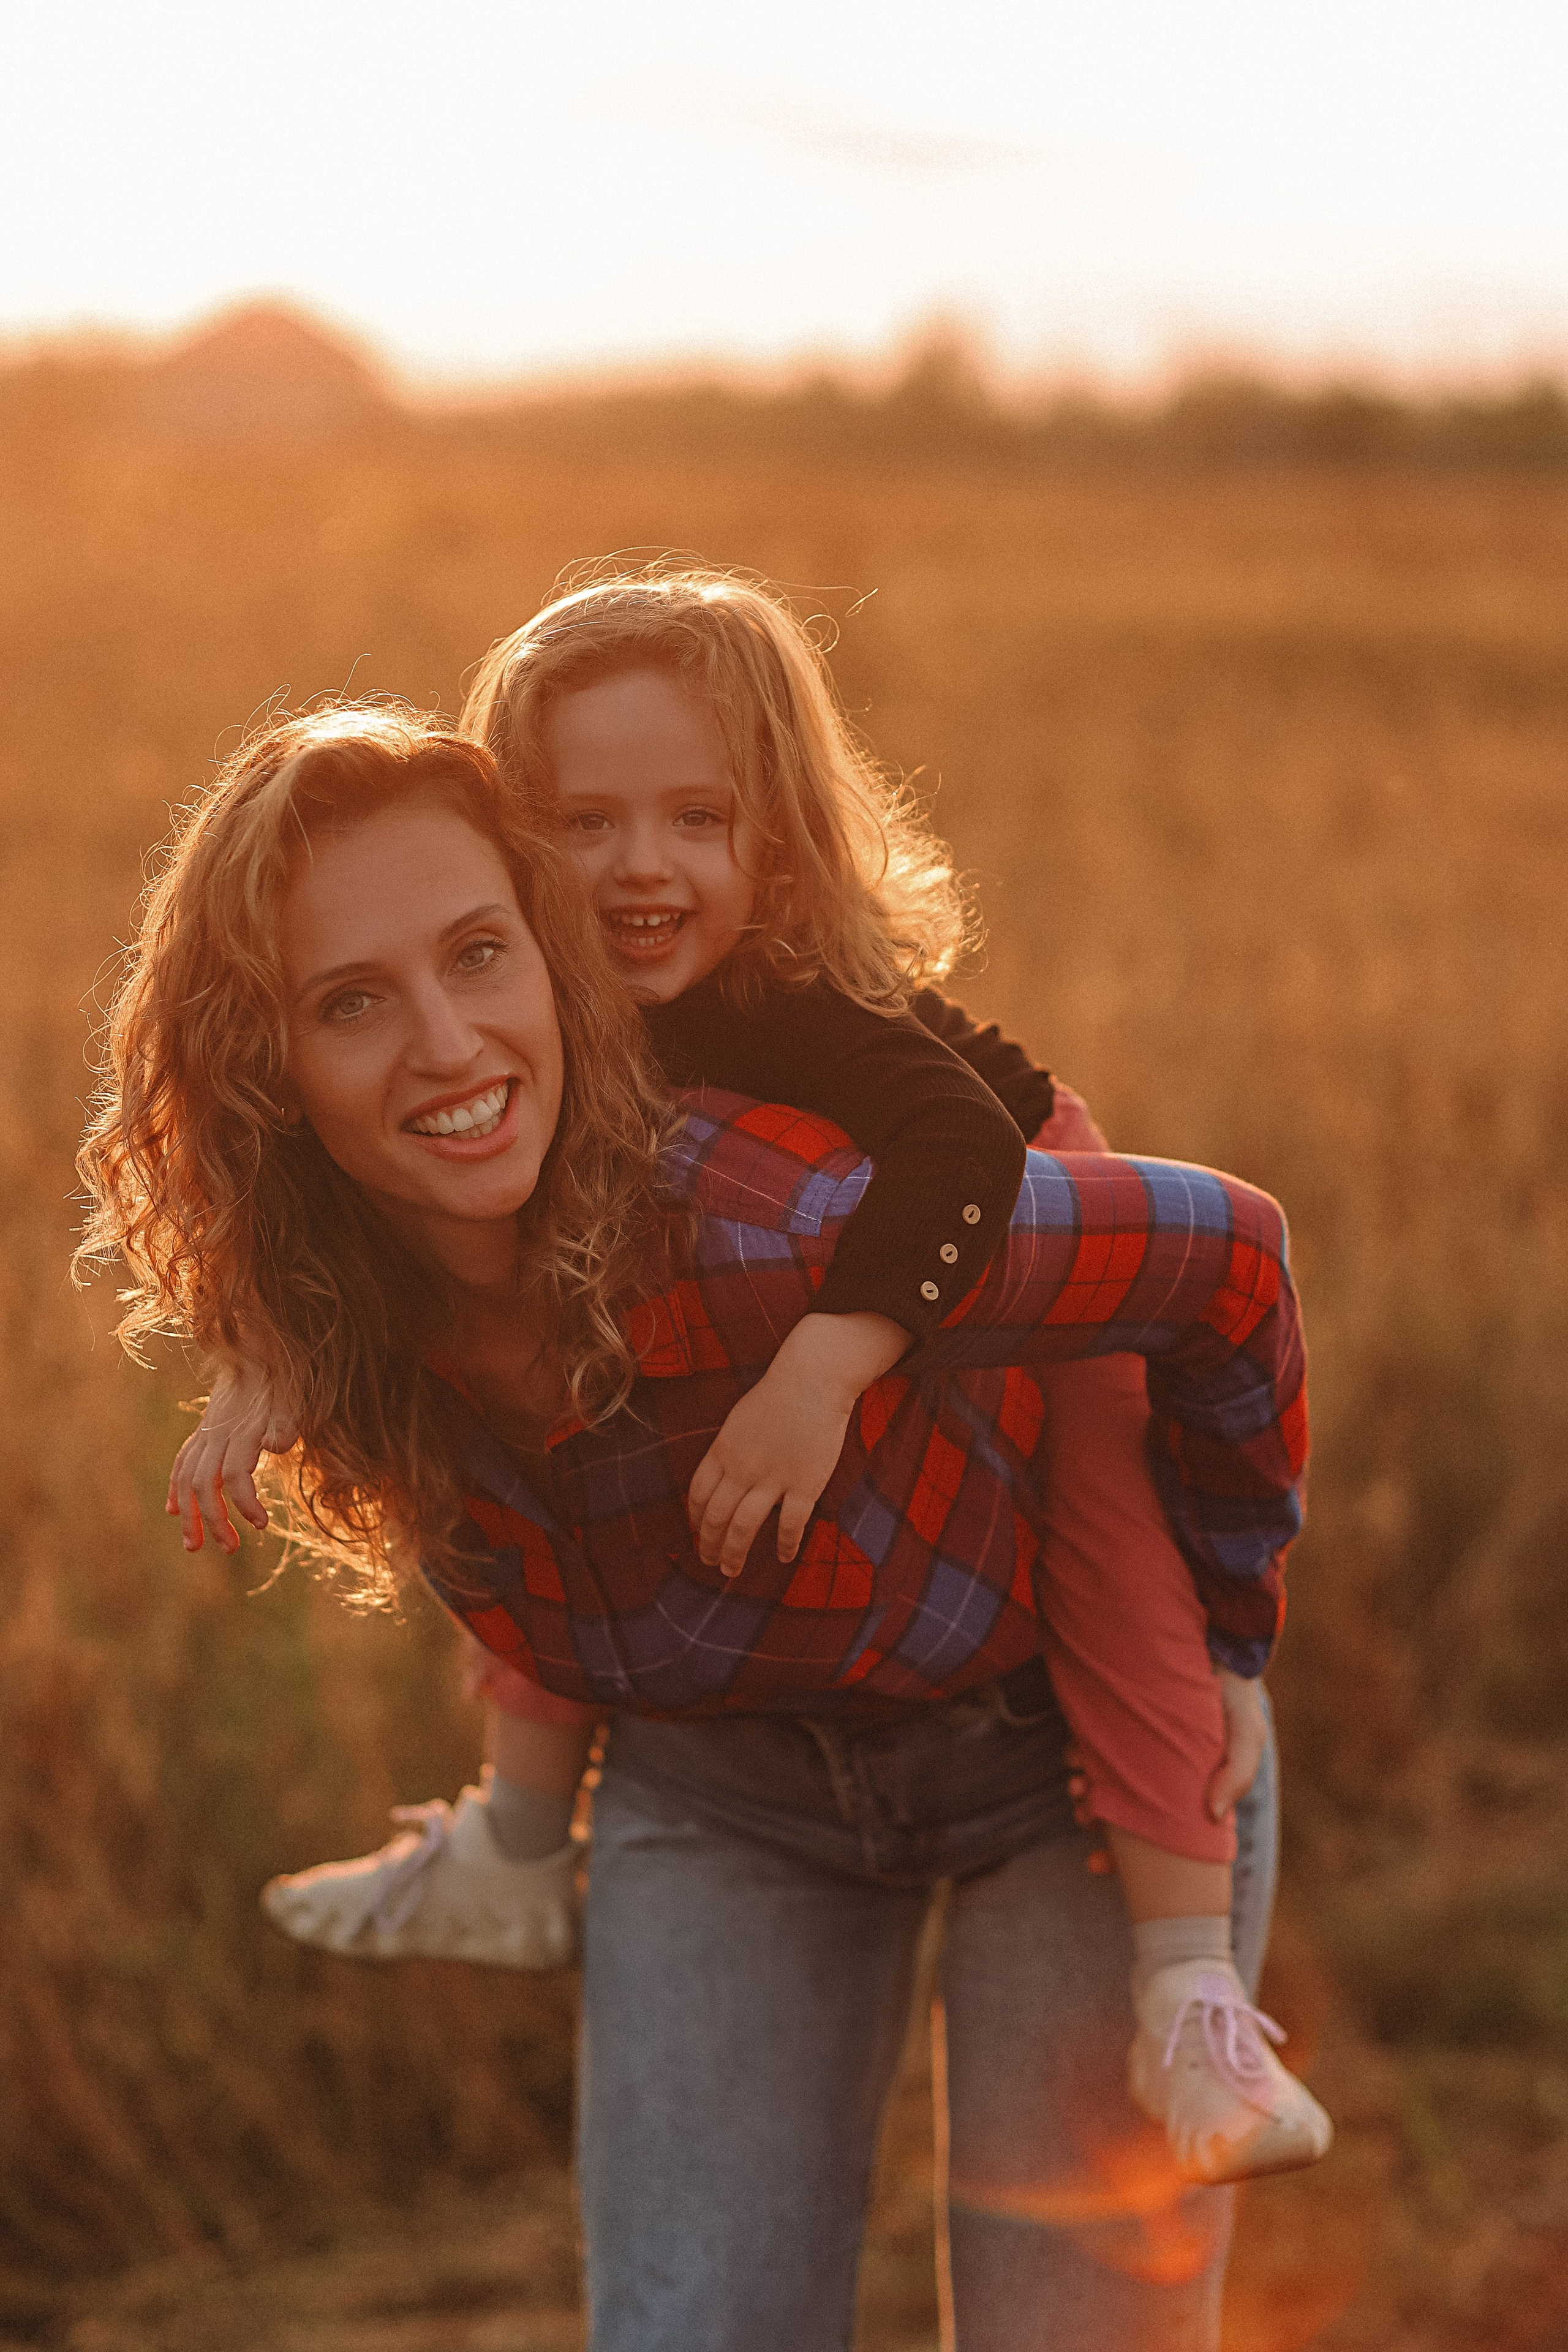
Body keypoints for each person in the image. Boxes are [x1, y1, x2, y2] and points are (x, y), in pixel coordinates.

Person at [83, 705, 1325, 2350]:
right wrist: (277, 1366)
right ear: (271, 1071)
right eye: (352, 1002)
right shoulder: (339, 1320)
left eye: (478, 955)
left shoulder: (791, 1226)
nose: (449, 1044)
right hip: (715, 1788)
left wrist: (1229, 1633)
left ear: (554, 963)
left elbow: (1230, 1261)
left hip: (1067, 1776)